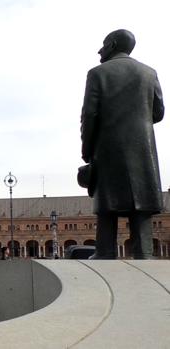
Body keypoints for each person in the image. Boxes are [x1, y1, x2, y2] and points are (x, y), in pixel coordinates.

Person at [80, 29, 164, 259]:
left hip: (108, 148)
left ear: (113, 44)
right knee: (142, 198)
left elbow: (89, 115)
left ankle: (105, 250)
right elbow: (158, 113)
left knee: (108, 200)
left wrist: (86, 150)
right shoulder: (149, 73)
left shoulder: (97, 73)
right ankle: (145, 251)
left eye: (103, 44)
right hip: (142, 147)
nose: (100, 49)